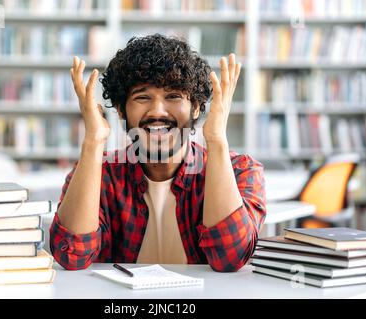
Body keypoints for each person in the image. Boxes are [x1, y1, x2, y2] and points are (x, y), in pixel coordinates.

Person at [50, 34, 266, 272]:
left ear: (195, 107)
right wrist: (92, 141)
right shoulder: (96, 174)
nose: (157, 111)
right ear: (121, 110)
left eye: (173, 96)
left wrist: (216, 141)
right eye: (142, 97)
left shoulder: (240, 171)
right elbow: (72, 256)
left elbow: (230, 259)